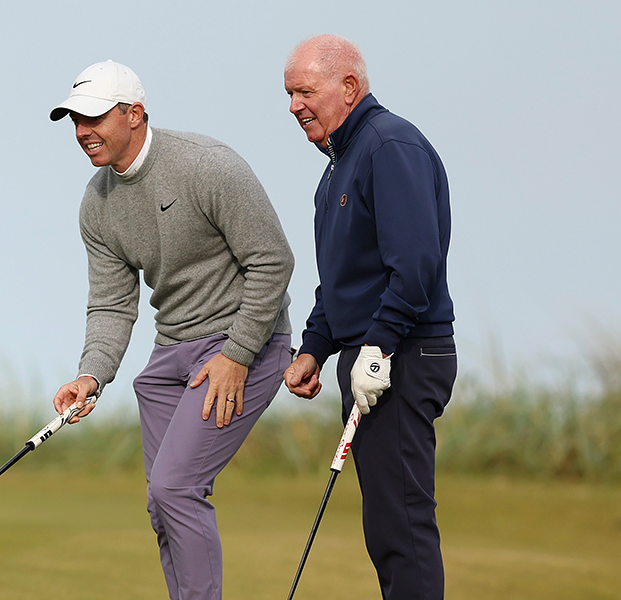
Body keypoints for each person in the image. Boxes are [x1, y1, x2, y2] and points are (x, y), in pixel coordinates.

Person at [49, 60, 295, 600]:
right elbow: (112, 304)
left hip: (244, 344)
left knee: (176, 488)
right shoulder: (96, 203)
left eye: (94, 118)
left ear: (135, 114)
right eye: (75, 120)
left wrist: (237, 354)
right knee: (162, 505)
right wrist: (91, 375)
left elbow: (273, 261)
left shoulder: (207, 166)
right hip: (172, 354)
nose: (82, 131)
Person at [282, 35, 457, 600]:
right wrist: (315, 346)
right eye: (289, 95)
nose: (294, 106)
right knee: (385, 526)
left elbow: (416, 265)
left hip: (403, 355)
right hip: (374, 356)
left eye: (305, 91)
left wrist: (377, 347)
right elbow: (343, 280)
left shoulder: (388, 147)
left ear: (349, 87)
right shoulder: (337, 168)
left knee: (401, 525)